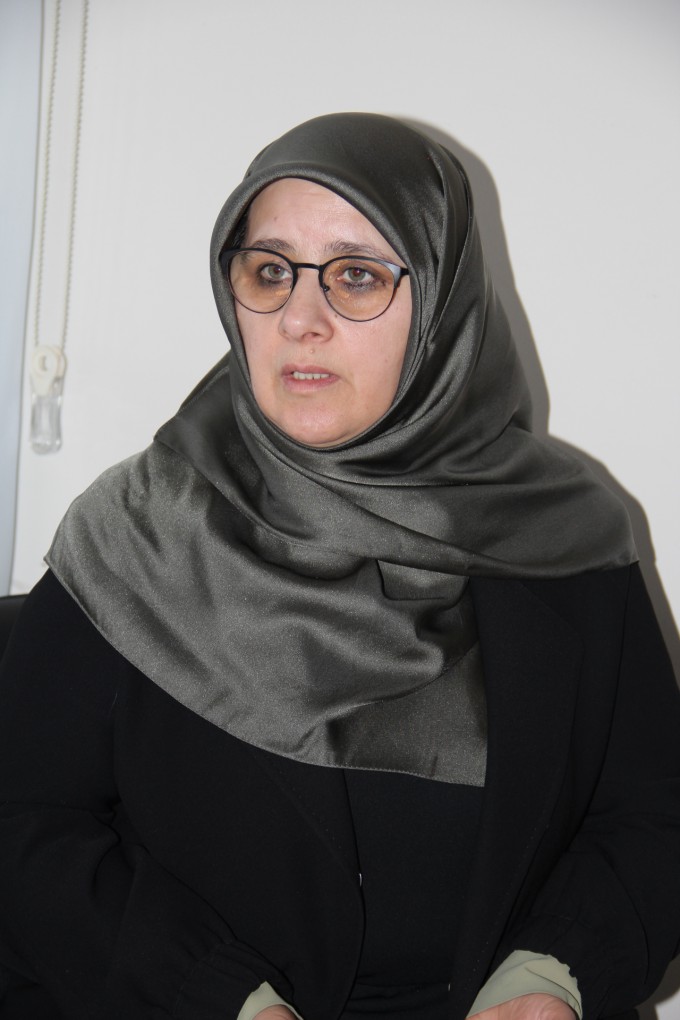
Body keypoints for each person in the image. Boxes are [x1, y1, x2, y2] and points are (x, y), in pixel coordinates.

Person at [0, 113, 678, 1020]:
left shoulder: (569, 538)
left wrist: (553, 977)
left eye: (356, 275)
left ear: (441, 306)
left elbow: (651, 815)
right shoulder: (137, 531)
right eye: (269, 271)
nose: (299, 319)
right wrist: (214, 996)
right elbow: (25, 823)